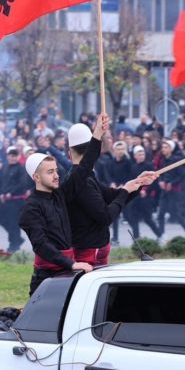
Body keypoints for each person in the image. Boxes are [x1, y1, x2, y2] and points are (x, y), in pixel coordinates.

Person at [19, 114, 107, 296]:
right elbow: (41, 244)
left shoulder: (60, 195)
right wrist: (72, 264)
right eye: (50, 172)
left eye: (56, 171)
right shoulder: (31, 208)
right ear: (36, 177)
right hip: (46, 278)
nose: (56, 175)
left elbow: (83, 167)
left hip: (69, 271)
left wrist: (97, 134)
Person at [67, 123, 157, 268]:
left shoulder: (87, 175)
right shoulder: (80, 180)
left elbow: (111, 196)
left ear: (69, 154)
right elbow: (105, 216)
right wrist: (125, 191)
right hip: (87, 251)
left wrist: (138, 183)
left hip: (95, 248)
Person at [0, 146, 32, 253]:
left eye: (14, 156)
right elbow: (2, 183)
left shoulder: (21, 168)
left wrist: (10, 193)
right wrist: (2, 194)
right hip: (5, 200)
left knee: (13, 223)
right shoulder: (5, 168)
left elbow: (22, 184)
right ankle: (18, 239)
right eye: (10, 156)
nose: (12, 158)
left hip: (16, 200)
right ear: (7, 157)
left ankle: (14, 244)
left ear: (18, 157)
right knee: (2, 220)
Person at [157, 141, 185, 239]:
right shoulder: (163, 160)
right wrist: (160, 181)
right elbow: (161, 173)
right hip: (164, 190)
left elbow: (182, 175)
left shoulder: (175, 160)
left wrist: (171, 183)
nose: (163, 149)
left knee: (176, 214)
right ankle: (161, 235)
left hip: (174, 191)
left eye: (166, 147)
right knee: (161, 214)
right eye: (163, 147)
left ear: (171, 149)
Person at [126, 146, 163, 240]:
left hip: (146, 197)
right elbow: (132, 180)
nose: (141, 156)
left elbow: (154, 181)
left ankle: (160, 236)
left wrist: (146, 190)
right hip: (135, 196)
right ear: (135, 156)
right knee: (134, 218)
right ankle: (137, 239)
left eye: (142, 154)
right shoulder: (133, 167)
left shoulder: (149, 166)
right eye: (139, 154)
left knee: (148, 219)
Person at [103, 141, 133, 244]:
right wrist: (111, 183)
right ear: (114, 150)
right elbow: (108, 175)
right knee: (114, 215)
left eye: (122, 149)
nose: (120, 151)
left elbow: (130, 175)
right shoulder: (110, 163)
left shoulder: (128, 162)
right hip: (114, 191)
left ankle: (137, 236)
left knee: (129, 216)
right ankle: (115, 238)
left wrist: (123, 184)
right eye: (118, 149)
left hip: (125, 190)